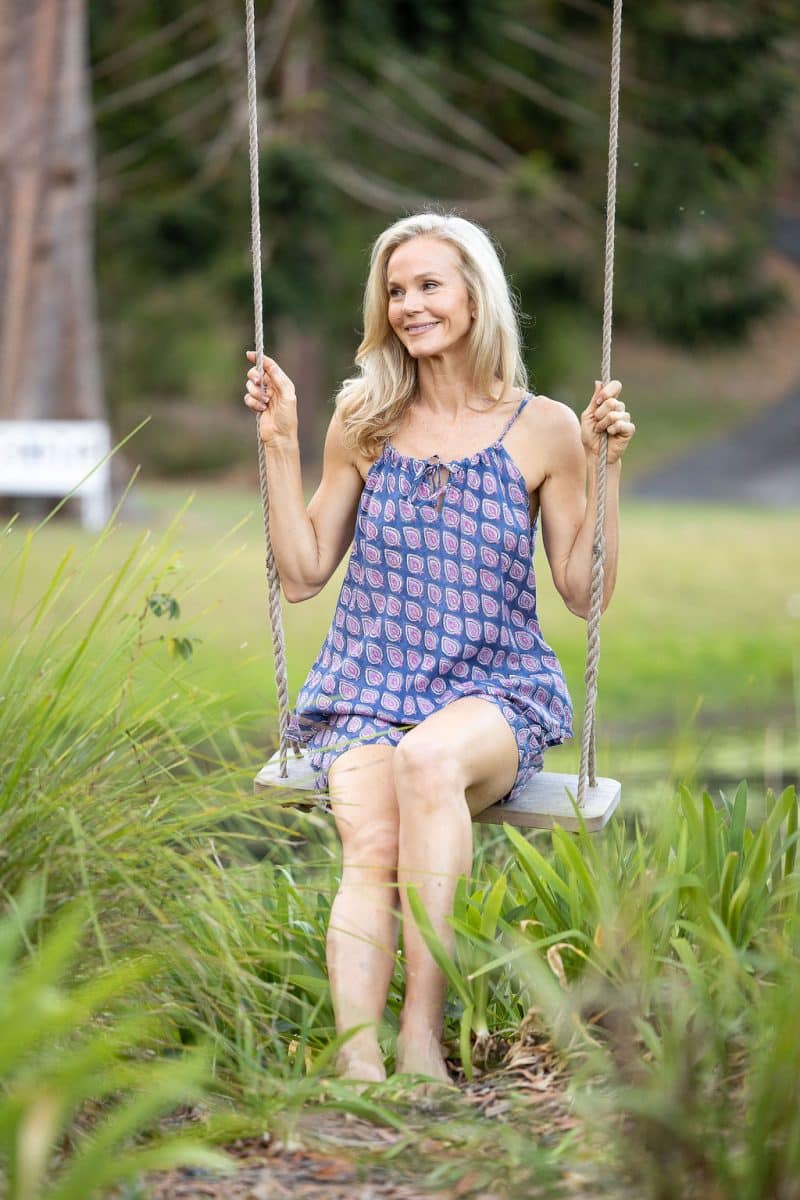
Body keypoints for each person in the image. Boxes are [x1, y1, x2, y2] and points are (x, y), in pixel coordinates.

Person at [243, 212, 634, 1090]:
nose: (410, 305)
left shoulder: (543, 428)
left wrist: (607, 471)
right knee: (370, 840)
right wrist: (278, 443)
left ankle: (421, 1032)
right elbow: (303, 574)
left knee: (426, 762)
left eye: (429, 285)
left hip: (495, 693)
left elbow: (584, 592)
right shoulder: (365, 418)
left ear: (474, 295)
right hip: (371, 690)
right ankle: (357, 1062)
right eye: (396, 289)